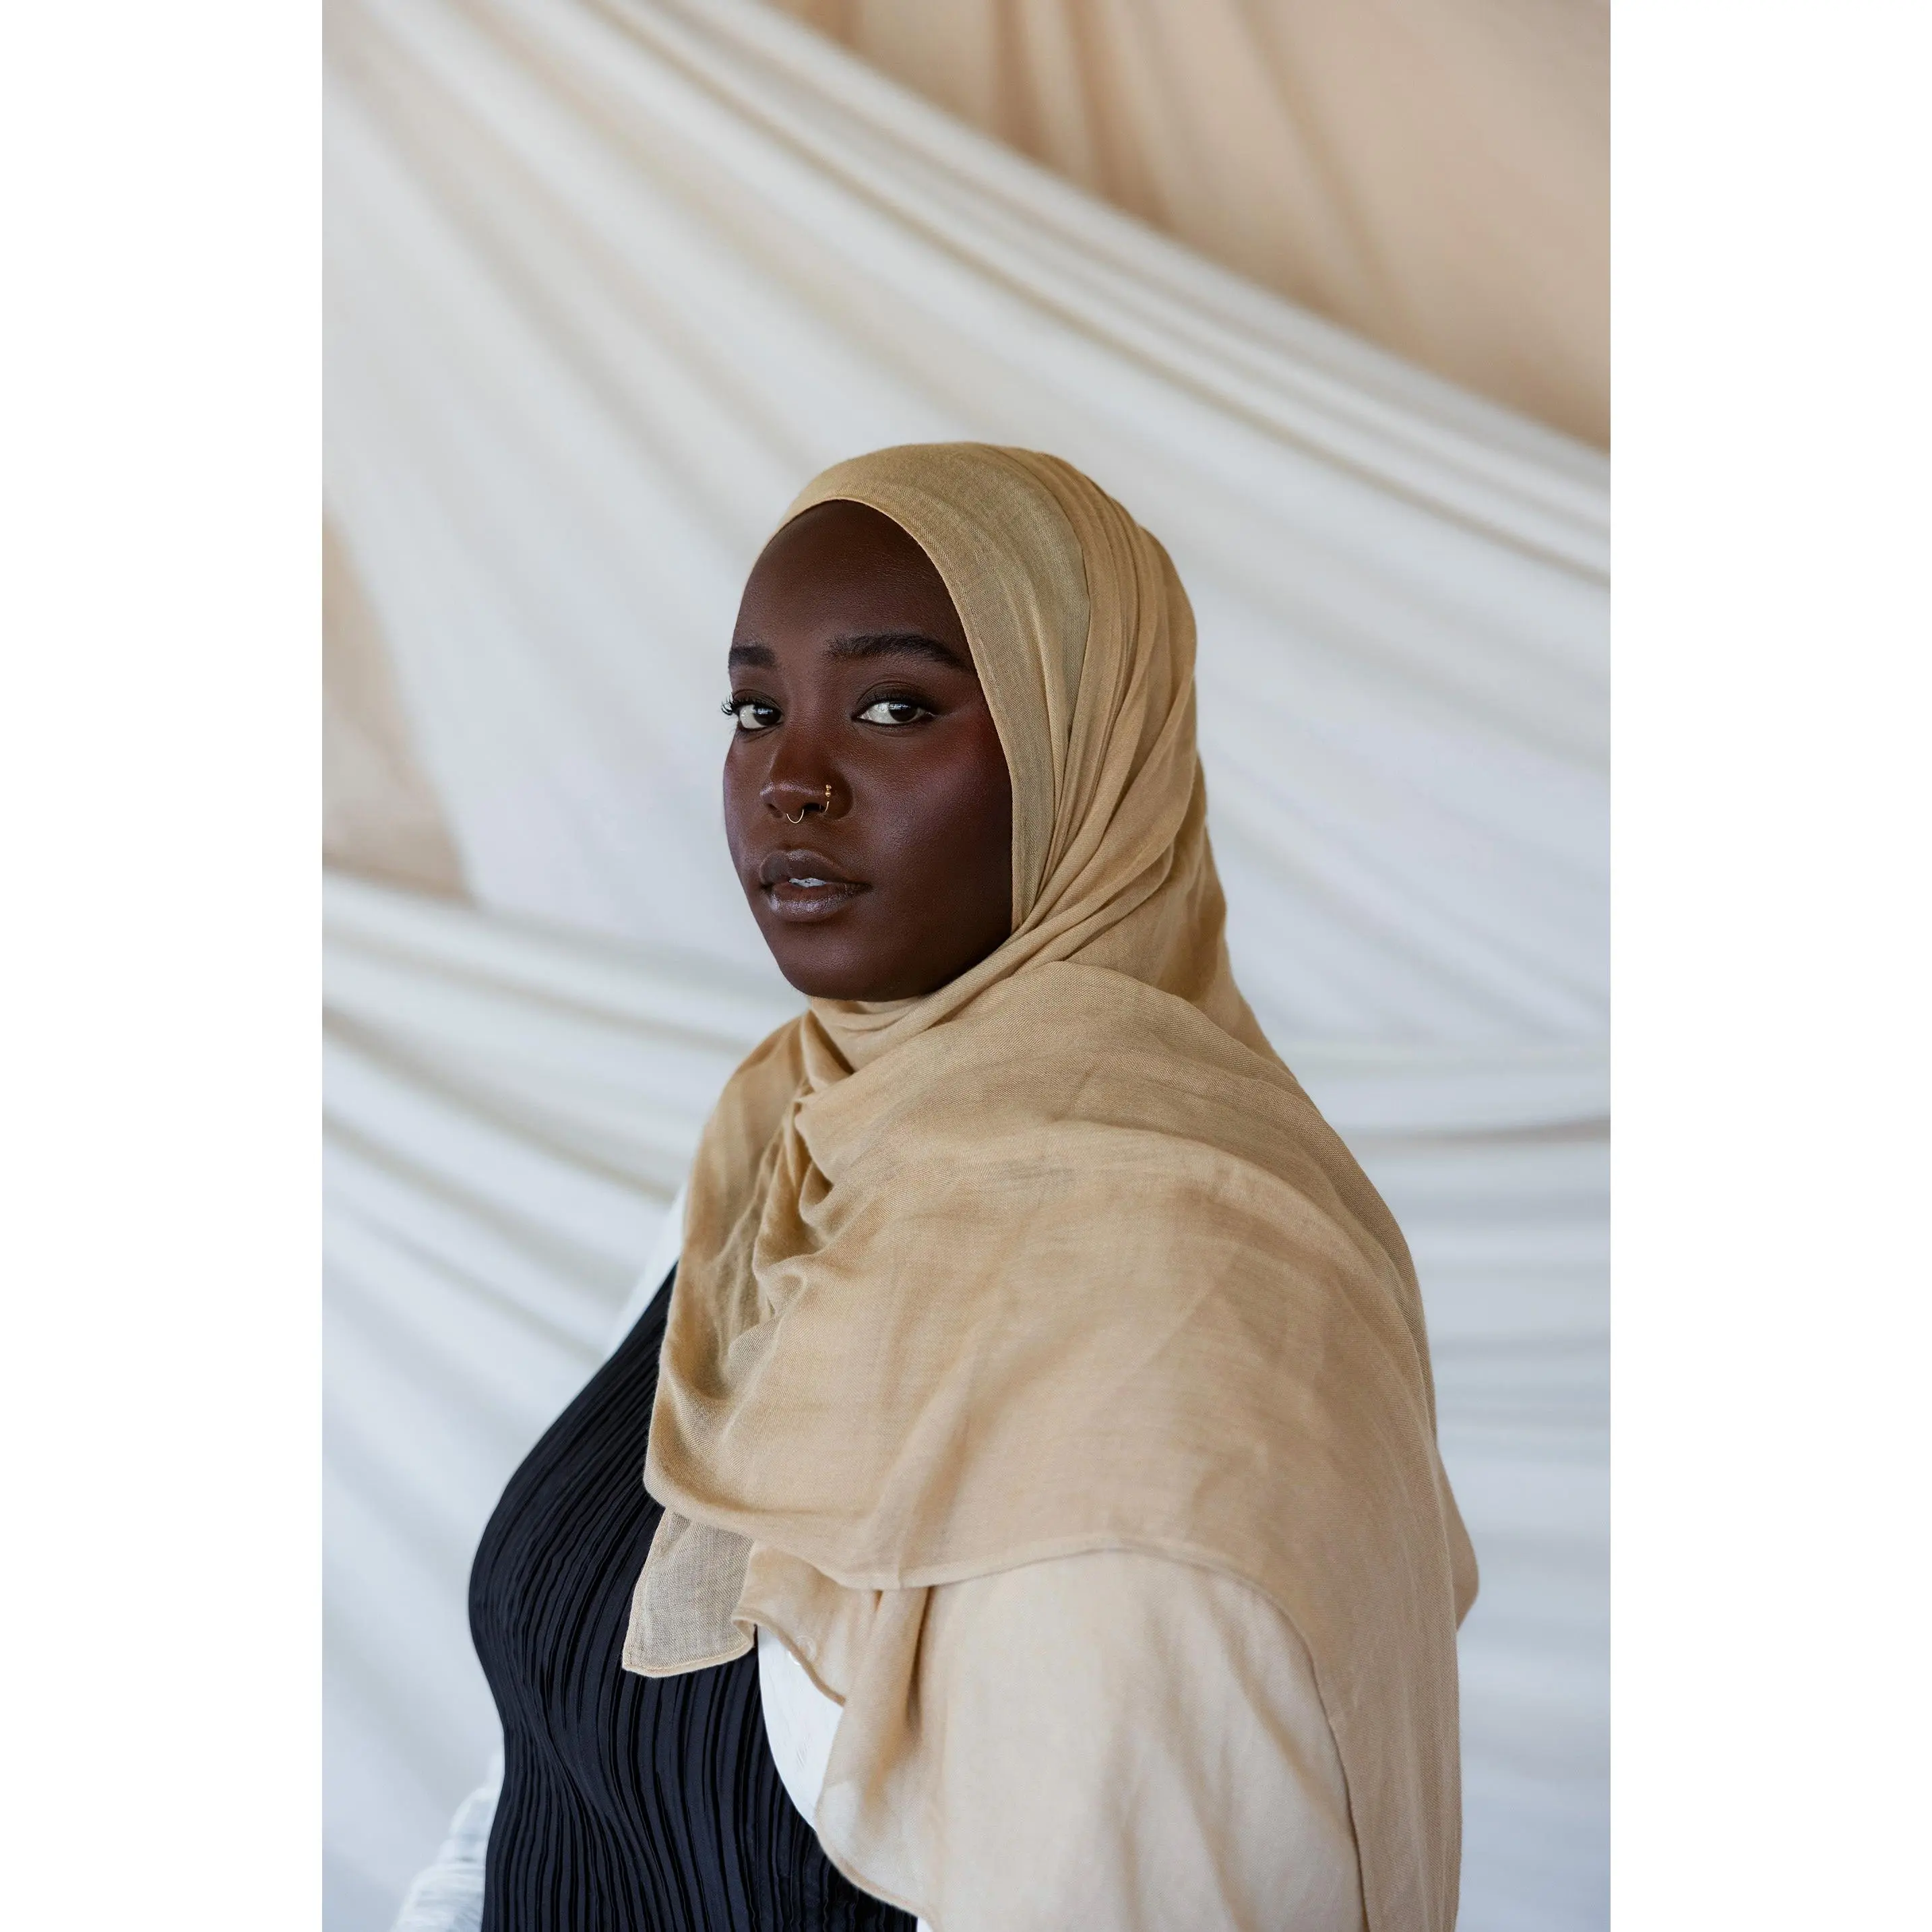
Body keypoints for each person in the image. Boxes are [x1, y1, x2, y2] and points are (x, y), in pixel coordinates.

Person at [394, 443, 1476, 1932]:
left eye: (895, 706)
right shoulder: (783, 1151)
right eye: (754, 710)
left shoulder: (1183, 1285)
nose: (790, 779)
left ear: (1088, 751)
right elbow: (543, 1775)